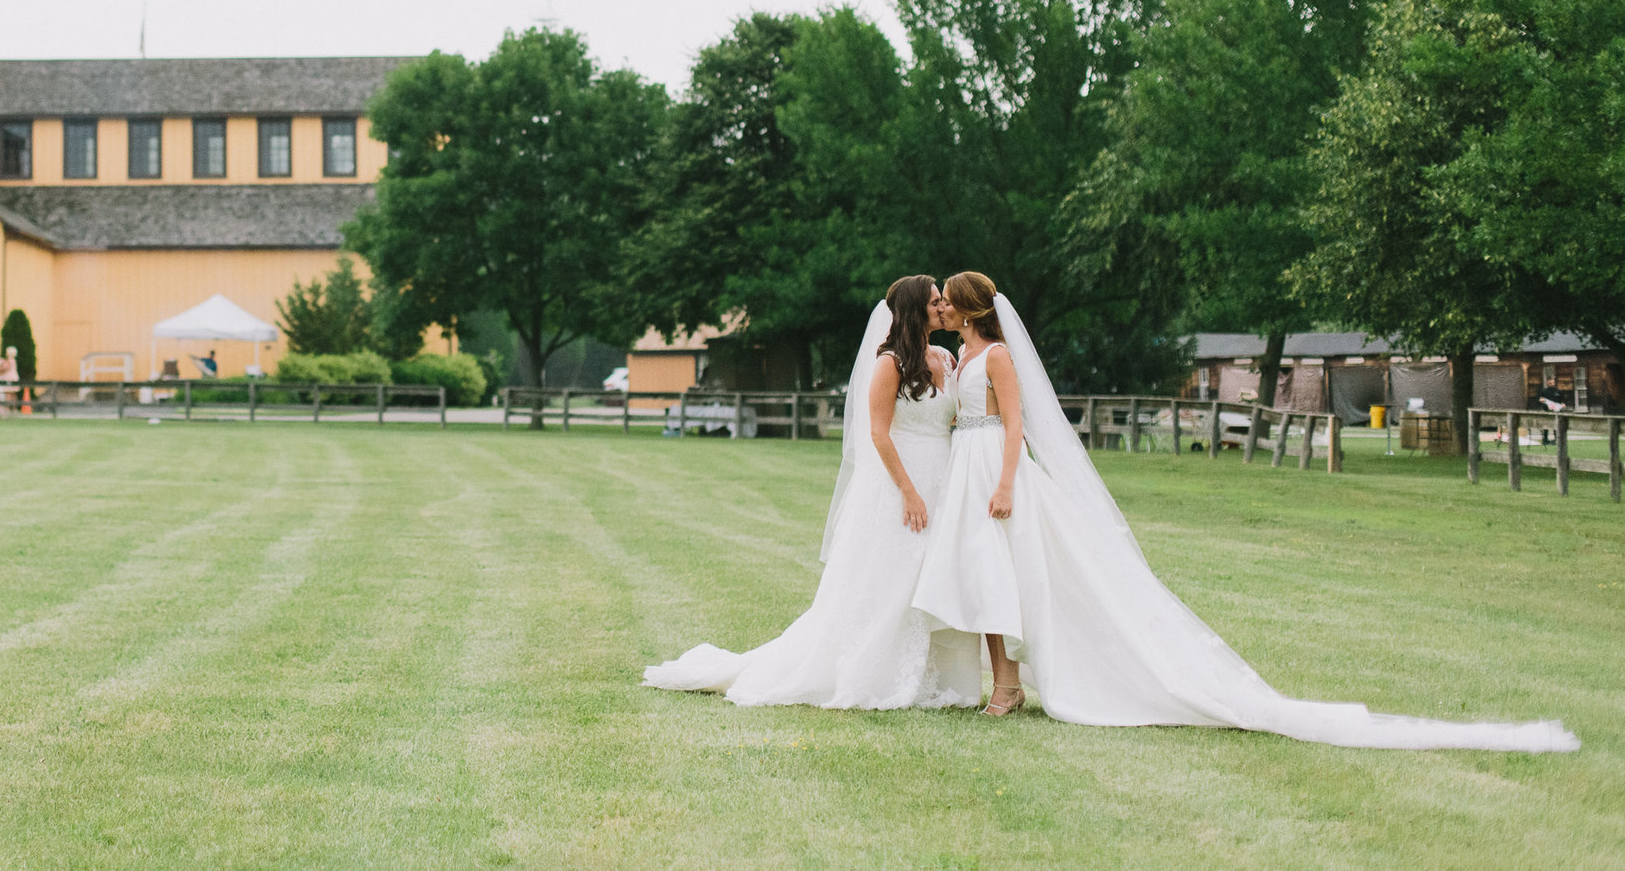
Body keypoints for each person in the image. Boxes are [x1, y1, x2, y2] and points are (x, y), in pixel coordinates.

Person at [908, 271, 1577, 752]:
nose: (941, 306)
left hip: (993, 466)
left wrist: (1003, 482)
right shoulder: (958, 354)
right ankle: (1003, 680)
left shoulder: (995, 354)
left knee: (1010, 574)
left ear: (968, 309)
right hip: (964, 466)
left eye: (947, 300)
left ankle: (1010, 684)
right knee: (980, 576)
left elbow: (1018, 419)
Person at [644, 275, 981, 709]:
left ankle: (941, 679)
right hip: (903, 482)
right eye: (935, 301)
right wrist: (909, 492)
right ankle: (878, 672)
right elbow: (878, 434)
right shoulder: (890, 363)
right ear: (916, 309)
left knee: (934, 575)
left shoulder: (947, 358)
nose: (943, 307)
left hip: (944, 478)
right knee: (893, 579)